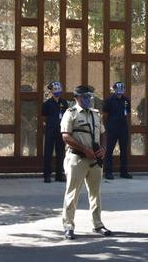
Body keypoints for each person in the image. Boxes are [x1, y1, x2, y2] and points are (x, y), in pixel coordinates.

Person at [60, 85, 112, 240]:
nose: (88, 100)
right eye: (84, 97)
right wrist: (84, 149)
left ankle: (98, 224)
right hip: (77, 159)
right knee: (72, 193)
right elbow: (66, 136)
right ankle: (68, 226)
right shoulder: (71, 114)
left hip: (95, 159)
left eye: (90, 97)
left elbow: (103, 133)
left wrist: (103, 148)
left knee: (95, 193)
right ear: (76, 98)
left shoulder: (96, 114)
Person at [102, 82, 132, 180]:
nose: (120, 91)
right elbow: (105, 116)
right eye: (118, 89)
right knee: (109, 150)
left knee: (124, 150)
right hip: (112, 128)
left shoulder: (126, 101)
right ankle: (108, 172)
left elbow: (127, 114)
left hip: (123, 128)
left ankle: (124, 172)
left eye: (122, 89)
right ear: (114, 89)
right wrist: (106, 127)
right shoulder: (109, 100)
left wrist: (127, 126)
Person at [41, 81, 69, 183]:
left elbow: (67, 116)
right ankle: (47, 175)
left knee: (60, 153)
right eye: (55, 90)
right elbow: (44, 118)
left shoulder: (64, 103)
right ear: (51, 91)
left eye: (59, 90)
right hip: (50, 130)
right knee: (48, 153)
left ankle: (59, 175)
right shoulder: (46, 104)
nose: (57, 92)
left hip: (61, 131)